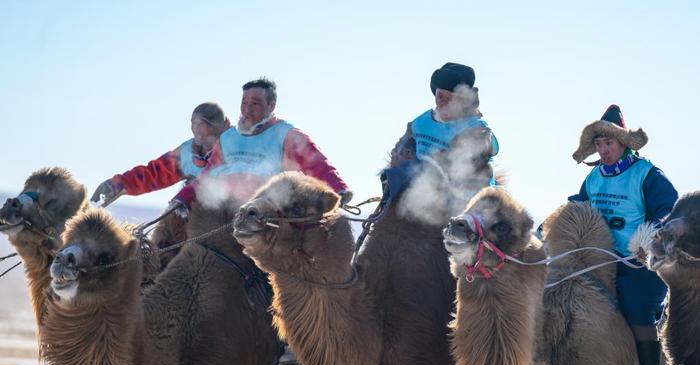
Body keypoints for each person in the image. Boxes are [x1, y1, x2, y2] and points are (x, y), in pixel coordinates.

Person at [571, 104, 678, 365]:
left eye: (609, 143)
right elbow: (577, 209)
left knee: (635, 306)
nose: (604, 150)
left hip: (640, 262)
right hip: (598, 259)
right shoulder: (593, 179)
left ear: (624, 143)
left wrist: (648, 240)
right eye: (599, 144)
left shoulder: (647, 175)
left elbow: (668, 214)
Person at [172, 77, 351, 211]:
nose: (247, 110)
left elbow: (317, 163)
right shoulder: (228, 138)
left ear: (271, 105)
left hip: (264, 209)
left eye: (255, 104)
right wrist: (183, 198)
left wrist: (339, 189)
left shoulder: (286, 134)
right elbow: (208, 175)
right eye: (244, 103)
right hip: (221, 207)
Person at [382, 62, 499, 198]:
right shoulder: (420, 123)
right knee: (395, 177)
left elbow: (467, 166)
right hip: (423, 186)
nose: (442, 102)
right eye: (440, 96)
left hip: (466, 194)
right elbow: (402, 148)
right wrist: (399, 156)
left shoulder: (477, 129)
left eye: (449, 99)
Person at [90, 102, 231, 205]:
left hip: (231, 215)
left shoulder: (235, 145)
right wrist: (118, 184)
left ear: (215, 126)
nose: (197, 129)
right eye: (194, 123)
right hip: (194, 214)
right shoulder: (188, 153)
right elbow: (156, 173)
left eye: (202, 124)